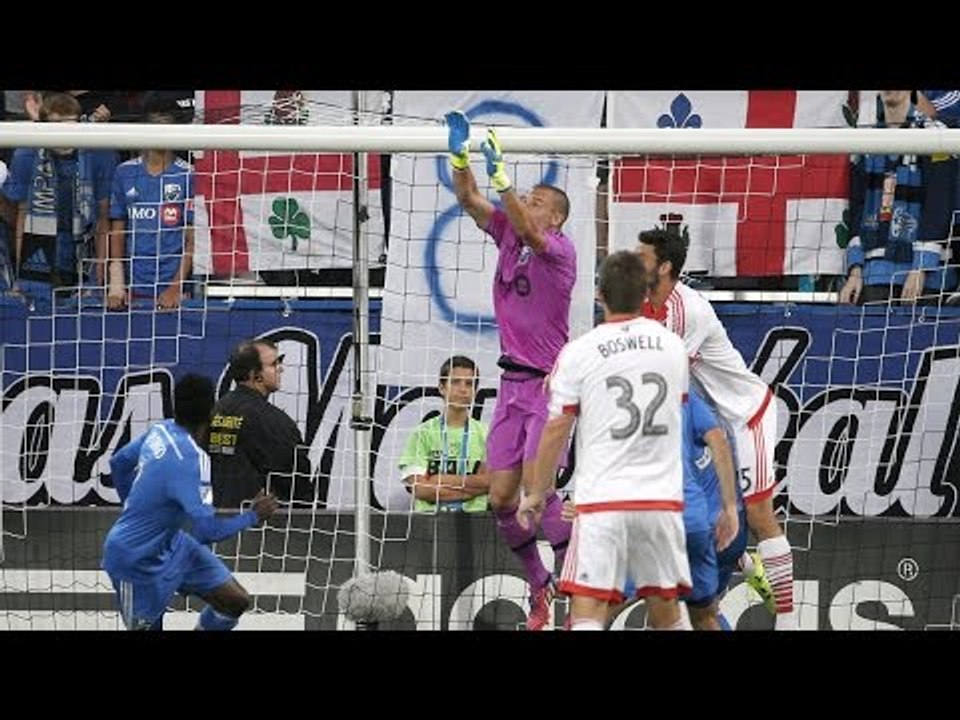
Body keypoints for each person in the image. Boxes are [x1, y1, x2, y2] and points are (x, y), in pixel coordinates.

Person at [446, 110, 577, 630]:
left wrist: (502, 180)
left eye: (537, 200)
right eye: (526, 196)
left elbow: (521, 220)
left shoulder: (559, 253)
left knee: (535, 493)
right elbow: (469, 200)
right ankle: (540, 582)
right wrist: (461, 160)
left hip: (549, 386)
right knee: (499, 498)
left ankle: (573, 586)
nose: (526, 202)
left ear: (557, 219)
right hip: (510, 385)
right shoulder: (510, 233)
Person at [519, 250, 691, 631]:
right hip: (659, 499)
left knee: (589, 611)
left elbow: (556, 429)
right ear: (646, 293)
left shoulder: (578, 353)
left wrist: (537, 492)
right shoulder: (673, 347)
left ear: (599, 295)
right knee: (666, 612)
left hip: (602, 502)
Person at [637, 228, 794, 629]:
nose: (635, 262)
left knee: (759, 513)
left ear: (665, 267)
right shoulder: (644, 304)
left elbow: (668, 378)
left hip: (746, 415)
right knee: (701, 516)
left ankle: (791, 619)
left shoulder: (689, 309)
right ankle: (741, 560)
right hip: (708, 418)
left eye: (643, 257)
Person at [102, 373, 278, 631]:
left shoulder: (160, 430)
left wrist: (132, 506)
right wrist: (252, 516)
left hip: (173, 544)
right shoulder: (194, 460)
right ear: (211, 412)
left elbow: (118, 463)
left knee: (233, 601)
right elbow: (205, 532)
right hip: (135, 562)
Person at [838, 90, 959, 305]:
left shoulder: (936, 136)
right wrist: (855, 270)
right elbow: (857, 211)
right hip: (874, 274)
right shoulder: (863, 142)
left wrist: (921, 267)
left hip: (928, 277)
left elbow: (939, 206)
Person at [1, 92, 117, 306]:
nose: (64, 135)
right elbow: (22, 216)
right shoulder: (26, 153)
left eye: (70, 127)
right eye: (56, 127)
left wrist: (100, 272)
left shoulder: (99, 153)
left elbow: (103, 220)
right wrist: (23, 271)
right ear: (43, 126)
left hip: (84, 248)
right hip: (40, 248)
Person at [107, 91, 195, 311]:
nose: (161, 134)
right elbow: (118, 231)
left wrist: (176, 286)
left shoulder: (189, 175)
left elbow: (192, 238)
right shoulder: (124, 172)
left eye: (167, 127)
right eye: (155, 126)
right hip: (131, 288)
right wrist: (117, 284)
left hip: (175, 289)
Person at [209, 338, 314, 509]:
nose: (281, 368)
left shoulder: (218, 409)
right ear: (254, 375)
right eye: (274, 364)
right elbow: (297, 481)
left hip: (222, 519)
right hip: (263, 527)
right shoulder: (271, 420)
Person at [398, 355, 490, 513]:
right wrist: (472, 487)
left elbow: (491, 483)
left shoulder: (487, 434)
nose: (463, 389)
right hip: (428, 525)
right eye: (455, 382)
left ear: (475, 391)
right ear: (441, 387)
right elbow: (420, 489)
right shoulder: (423, 433)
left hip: (477, 524)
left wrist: (437, 480)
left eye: (469, 384)